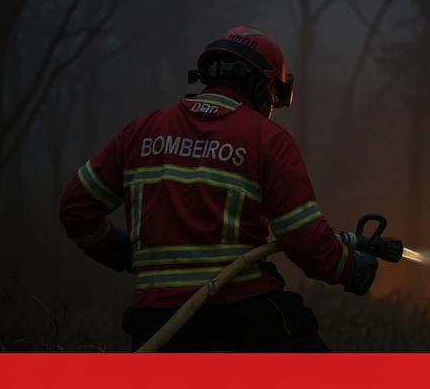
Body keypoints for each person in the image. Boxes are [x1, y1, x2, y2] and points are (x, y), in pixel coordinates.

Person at [59, 26, 378, 351]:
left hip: (155, 323)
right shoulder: (268, 140)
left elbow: (75, 208)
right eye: (274, 97)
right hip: (242, 316)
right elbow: (304, 239)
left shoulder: (140, 132)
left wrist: (119, 250)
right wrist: (352, 268)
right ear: (263, 87)